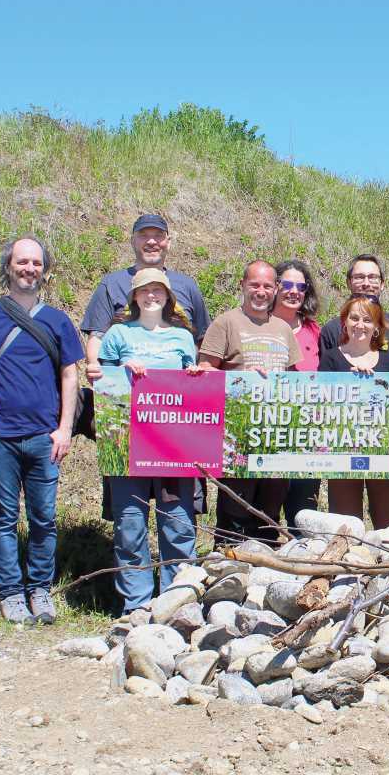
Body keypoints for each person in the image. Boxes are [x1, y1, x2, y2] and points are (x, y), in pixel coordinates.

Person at [0, 237, 85, 625]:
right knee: (4, 518)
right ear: (8, 266)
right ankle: (10, 592)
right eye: (22, 262)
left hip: (45, 437)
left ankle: (39, 589)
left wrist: (64, 430)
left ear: (45, 269)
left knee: (44, 519)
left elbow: (70, 374)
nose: (29, 269)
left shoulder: (57, 320)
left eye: (36, 263)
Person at [95, 269, 201, 614]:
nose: (151, 296)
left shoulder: (183, 338)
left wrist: (194, 376)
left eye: (158, 290)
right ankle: (136, 606)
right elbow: (101, 378)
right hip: (126, 444)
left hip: (173, 446)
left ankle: (177, 603)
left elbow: (193, 385)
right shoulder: (117, 334)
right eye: (144, 290)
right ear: (134, 296)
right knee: (130, 525)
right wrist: (121, 367)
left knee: (177, 523)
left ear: (168, 296)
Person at [198, 260, 301, 542]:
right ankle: (229, 565)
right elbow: (204, 371)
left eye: (268, 286)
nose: (261, 291)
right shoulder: (226, 323)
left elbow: (293, 379)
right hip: (237, 435)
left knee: (269, 511)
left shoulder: (283, 329)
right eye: (255, 284)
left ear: (276, 289)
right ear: (243, 285)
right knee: (236, 510)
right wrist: (243, 381)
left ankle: (264, 568)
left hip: (276, 436)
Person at [81, 214, 210, 379]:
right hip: (126, 388)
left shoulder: (187, 285)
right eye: (143, 236)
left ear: (168, 242)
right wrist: (97, 370)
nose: (151, 242)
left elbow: (202, 340)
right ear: (133, 241)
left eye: (158, 236)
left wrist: (196, 373)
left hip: (175, 394)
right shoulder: (112, 284)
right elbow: (97, 336)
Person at [318, 296, 389, 528]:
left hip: (383, 450)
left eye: (367, 319)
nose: (360, 325)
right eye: (354, 318)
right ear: (344, 322)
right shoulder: (331, 358)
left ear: (377, 327)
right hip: (343, 450)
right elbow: (320, 403)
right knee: (346, 525)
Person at [273, 259, 324, 518]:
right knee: (264, 508)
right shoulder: (256, 324)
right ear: (274, 286)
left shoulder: (315, 330)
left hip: (307, 434)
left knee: (303, 511)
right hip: (266, 431)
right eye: (287, 284)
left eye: (301, 287)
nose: (294, 291)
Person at [320, 254, 389, 361]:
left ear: (382, 284)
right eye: (359, 277)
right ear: (348, 283)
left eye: (372, 277)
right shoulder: (331, 331)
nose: (366, 283)